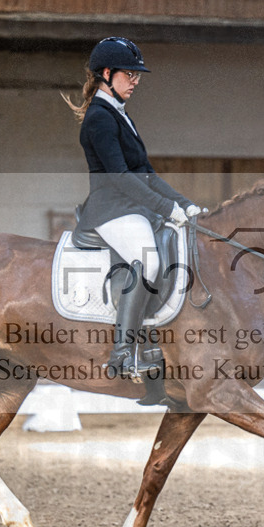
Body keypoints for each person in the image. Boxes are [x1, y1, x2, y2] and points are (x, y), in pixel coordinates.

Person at [64, 37, 202, 380]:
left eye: (137, 75)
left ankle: (152, 345)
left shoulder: (119, 114)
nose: (136, 81)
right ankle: (123, 352)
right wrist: (165, 208)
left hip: (131, 206)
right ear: (106, 74)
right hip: (110, 209)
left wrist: (184, 204)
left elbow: (147, 174)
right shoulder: (99, 117)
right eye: (130, 74)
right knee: (149, 261)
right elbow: (121, 177)